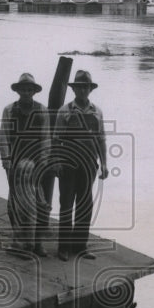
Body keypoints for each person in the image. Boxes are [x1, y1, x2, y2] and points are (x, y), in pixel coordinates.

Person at [53, 70, 108, 261]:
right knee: (66, 204)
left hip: (89, 164)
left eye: (85, 87)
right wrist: (57, 161)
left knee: (85, 205)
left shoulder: (97, 111)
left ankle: (80, 246)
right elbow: (56, 140)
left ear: (90, 89)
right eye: (79, 87)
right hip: (68, 164)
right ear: (74, 89)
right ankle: (64, 248)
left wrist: (104, 164)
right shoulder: (64, 111)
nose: (82, 90)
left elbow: (101, 139)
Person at [0, 73, 51, 257]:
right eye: (23, 89)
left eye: (30, 89)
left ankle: (37, 243)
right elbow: (4, 136)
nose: (26, 92)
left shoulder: (42, 111)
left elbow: (46, 138)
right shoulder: (9, 110)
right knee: (14, 203)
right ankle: (19, 241)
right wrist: (6, 161)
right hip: (16, 164)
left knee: (39, 203)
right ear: (18, 91)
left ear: (34, 92)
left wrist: (44, 161)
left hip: (35, 164)